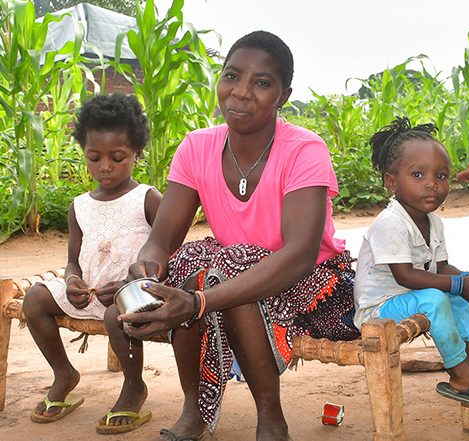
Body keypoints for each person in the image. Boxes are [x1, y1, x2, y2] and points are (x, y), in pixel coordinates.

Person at [112, 30, 359, 441]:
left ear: (283, 95)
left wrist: (199, 302)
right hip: (231, 272)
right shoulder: (196, 147)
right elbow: (162, 240)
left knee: (225, 267)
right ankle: (194, 410)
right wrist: (147, 267)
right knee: (192, 260)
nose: (241, 93)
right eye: (232, 76)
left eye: (262, 83)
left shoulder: (304, 150)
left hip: (314, 282)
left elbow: (298, 254)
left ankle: (271, 420)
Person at [22, 93, 162, 434]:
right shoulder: (79, 206)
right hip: (88, 296)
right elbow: (73, 260)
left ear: (137, 154)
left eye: (117, 158)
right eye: (94, 157)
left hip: (132, 299)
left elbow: (165, 255)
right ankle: (64, 374)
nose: (105, 167)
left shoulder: (147, 198)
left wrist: (137, 283)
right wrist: (72, 282)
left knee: (119, 312)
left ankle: (133, 387)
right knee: (35, 298)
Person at [353, 117, 469, 408]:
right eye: (418, 175)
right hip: (380, 309)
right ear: (391, 181)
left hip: (412, 297)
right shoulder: (391, 222)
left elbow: (441, 268)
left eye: (442, 176)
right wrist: (457, 284)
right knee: (438, 296)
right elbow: (406, 276)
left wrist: (467, 279)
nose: (432, 185)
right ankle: (458, 372)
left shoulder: (434, 222)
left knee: (466, 294)